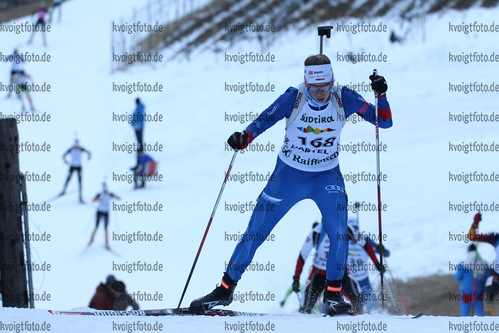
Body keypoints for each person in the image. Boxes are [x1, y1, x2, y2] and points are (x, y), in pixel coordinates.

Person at [189, 53, 392, 316]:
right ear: (306, 84)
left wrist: (382, 95)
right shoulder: (293, 97)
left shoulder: (345, 98)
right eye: (314, 88)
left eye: (325, 87)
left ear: (333, 81)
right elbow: (266, 119)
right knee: (255, 232)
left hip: (326, 177)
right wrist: (245, 136)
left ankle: (332, 295)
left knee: (339, 232)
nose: (320, 94)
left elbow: (384, 121)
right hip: (288, 177)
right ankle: (225, 289)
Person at [292, 220, 366, 314]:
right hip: (319, 273)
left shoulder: (345, 228)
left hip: (340, 273)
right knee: (307, 305)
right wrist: (296, 278)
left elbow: (365, 242)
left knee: (357, 299)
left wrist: (377, 261)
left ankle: (357, 318)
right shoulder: (316, 232)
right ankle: (303, 317)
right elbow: (302, 256)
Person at [467, 213, 499, 315]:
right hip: (497, 272)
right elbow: (472, 237)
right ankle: (492, 325)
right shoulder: (496, 237)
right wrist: (475, 223)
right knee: (487, 298)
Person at [454, 244, 489, 316]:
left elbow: (457, 277)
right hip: (479, 290)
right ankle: (482, 325)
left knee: (465, 311)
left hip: (465, 291)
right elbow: (488, 277)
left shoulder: (463, 264)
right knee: (480, 311)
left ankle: (464, 325)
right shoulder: (484, 263)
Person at [88, 183, 121, 249]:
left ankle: (106, 243)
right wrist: (97, 199)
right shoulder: (99, 194)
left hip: (106, 213)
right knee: (96, 227)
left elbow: (119, 198)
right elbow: (93, 200)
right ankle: (91, 239)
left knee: (106, 228)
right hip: (100, 212)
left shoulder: (110, 194)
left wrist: (115, 197)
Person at [60, 139, 91, 203]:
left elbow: (89, 153)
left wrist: (89, 157)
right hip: (72, 166)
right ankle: (63, 191)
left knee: (79, 182)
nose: (76, 146)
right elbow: (63, 156)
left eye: (77, 145)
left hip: (79, 167)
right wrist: (66, 161)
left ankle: (80, 197)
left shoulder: (81, 149)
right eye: (75, 145)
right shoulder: (71, 149)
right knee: (68, 178)